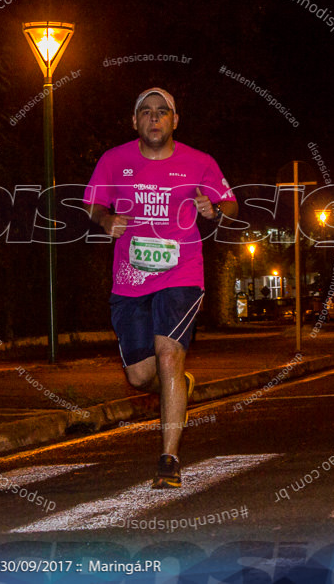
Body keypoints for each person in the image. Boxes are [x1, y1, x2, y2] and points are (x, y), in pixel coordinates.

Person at [85, 87, 238, 489]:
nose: (154, 118)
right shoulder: (114, 160)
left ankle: (168, 459)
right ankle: (179, 387)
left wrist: (214, 208)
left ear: (175, 120)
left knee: (168, 355)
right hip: (130, 277)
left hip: (182, 272)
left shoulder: (199, 162)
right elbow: (94, 203)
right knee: (139, 376)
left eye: (162, 112)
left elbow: (231, 204)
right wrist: (105, 221)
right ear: (135, 121)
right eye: (146, 112)